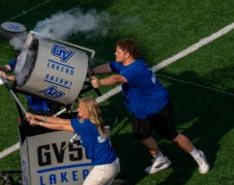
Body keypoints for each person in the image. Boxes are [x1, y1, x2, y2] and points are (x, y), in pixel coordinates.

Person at [90, 38, 210, 174]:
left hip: (157, 108)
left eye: (118, 51)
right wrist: (91, 72)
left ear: (127, 54)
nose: (114, 53)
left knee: (172, 136)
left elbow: (117, 78)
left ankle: (198, 155)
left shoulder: (135, 69)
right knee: (141, 134)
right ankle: (160, 158)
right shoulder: (126, 63)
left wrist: (100, 83)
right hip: (140, 110)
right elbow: (108, 67)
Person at [27, 98, 138, 185]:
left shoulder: (86, 126)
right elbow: (60, 122)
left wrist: (37, 122)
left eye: (80, 109)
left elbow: (62, 125)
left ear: (86, 111)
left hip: (103, 168)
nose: (77, 111)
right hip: (113, 164)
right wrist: (35, 116)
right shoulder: (93, 122)